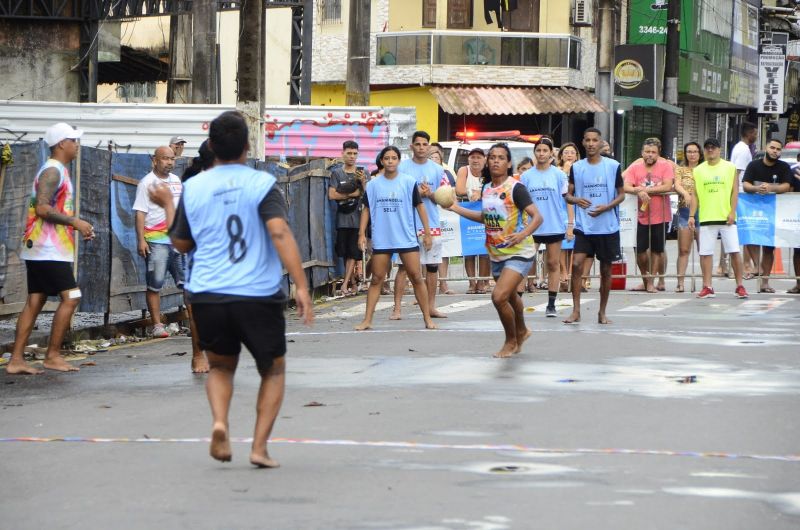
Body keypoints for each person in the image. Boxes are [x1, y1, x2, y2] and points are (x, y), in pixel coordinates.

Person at [152, 111, 313, 467]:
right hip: (256, 293)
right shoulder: (261, 184)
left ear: (211, 146)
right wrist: (300, 285)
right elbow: (279, 232)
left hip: (208, 293)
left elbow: (180, 245)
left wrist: (167, 205)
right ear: (247, 146)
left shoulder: (192, 187)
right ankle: (258, 447)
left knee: (221, 368)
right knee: (272, 370)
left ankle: (221, 422)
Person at [7, 123, 95, 375]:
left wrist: (77, 227)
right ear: (61, 144)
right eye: (73, 140)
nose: (77, 145)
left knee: (35, 300)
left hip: (44, 248)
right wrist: (74, 222)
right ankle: (52, 355)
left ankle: (16, 360)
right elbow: (43, 209)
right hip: (46, 249)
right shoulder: (52, 171)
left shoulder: (58, 170)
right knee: (72, 296)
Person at [448, 144, 543, 357]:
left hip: (519, 251)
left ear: (509, 163)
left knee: (499, 296)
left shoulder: (516, 188)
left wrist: (522, 234)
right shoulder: (487, 188)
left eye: (501, 158)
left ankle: (511, 341)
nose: (495, 161)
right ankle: (523, 330)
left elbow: (537, 217)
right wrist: (455, 208)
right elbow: (484, 217)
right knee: (510, 298)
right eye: (492, 157)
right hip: (496, 252)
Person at [355, 146, 437, 331]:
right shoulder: (373, 185)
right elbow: (366, 209)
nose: (390, 161)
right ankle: (367, 320)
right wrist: (361, 234)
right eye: (387, 158)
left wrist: (427, 233)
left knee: (416, 276)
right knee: (376, 279)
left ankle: (427, 318)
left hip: (406, 238)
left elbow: (420, 207)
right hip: (383, 238)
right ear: (382, 161)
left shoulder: (408, 182)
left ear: (399, 161)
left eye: (394, 158)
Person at [564, 128, 625, 325]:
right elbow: (568, 194)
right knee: (575, 264)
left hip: (607, 226)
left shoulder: (613, 166)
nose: (591, 143)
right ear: (583, 142)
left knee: (606, 270)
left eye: (594, 140)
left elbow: (621, 194)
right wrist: (576, 200)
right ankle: (576, 311)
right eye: (587, 140)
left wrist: (607, 207)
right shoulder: (577, 167)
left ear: (600, 143)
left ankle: (602, 312)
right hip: (584, 226)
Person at [391, 131, 446, 320]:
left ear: (429, 147)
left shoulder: (438, 170)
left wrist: (431, 194)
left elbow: (445, 196)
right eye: (418, 144)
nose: (422, 148)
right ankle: (397, 308)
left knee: (432, 267)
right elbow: (395, 194)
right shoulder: (402, 168)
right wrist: (415, 195)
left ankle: (431, 307)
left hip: (431, 224)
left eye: (425, 144)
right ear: (411, 146)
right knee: (404, 267)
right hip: (408, 225)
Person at [133, 146, 184, 339]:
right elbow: (140, 213)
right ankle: (157, 325)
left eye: (172, 159)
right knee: (155, 284)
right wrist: (141, 240)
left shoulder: (176, 181)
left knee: (187, 283)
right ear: (155, 160)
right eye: (165, 159)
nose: (170, 162)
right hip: (156, 242)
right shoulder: (146, 183)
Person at [689, 138, 748, 299]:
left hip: (726, 217)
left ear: (719, 150)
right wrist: (692, 215)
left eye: (713, 148)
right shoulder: (699, 170)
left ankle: (740, 285)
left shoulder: (730, 167)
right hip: (707, 217)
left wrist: (732, 211)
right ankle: (707, 286)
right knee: (705, 253)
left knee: (734, 251)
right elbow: (695, 194)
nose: (710, 150)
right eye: (707, 148)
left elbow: (735, 191)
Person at [521, 138, 568, 317]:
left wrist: (569, 223)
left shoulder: (559, 175)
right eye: (538, 150)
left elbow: (567, 200)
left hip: (553, 225)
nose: (541, 153)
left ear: (551, 153)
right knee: (524, 262)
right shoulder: (526, 176)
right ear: (535, 153)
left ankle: (551, 304)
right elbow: (520, 201)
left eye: (544, 150)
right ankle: (518, 300)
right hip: (532, 227)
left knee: (552, 264)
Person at [623, 138, 674, 293]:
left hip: (660, 215)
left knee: (657, 250)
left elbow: (667, 185)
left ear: (658, 154)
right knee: (639, 250)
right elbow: (625, 185)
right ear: (642, 153)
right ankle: (645, 279)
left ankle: (651, 281)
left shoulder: (665, 166)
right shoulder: (635, 168)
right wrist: (638, 190)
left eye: (653, 152)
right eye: (647, 152)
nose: (650, 155)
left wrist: (646, 191)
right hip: (639, 215)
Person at [742, 138, 792, 293]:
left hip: (775, 210)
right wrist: (757, 189)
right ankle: (757, 266)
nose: (775, 151)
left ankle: (765, 282)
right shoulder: (753, 165)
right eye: (772, 148)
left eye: (778, 149)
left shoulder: (783, 167)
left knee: (769, 247)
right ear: (766, 148)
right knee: (750, 238)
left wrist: (771, 188)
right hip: (754, 210)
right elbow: (745, 184)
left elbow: (786, 186)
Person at [328, 140, 365, 297]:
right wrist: (352, 194)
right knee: (343, 252)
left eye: (355, 153)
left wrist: (362, 183)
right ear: (342, 153)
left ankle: (344, 284)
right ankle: (353, 284)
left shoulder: (363, 173)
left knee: (353, 253)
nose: (352, 156)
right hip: (342, 218)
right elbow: (331, 195)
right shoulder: (337, 173)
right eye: (349, 153)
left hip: (358, 219)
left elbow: (366, 194)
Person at [455, 147, 490, 294]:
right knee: (469, 249)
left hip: (486, 211)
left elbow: (493, 188)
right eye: (472, 157)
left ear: (484, 159)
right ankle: (471, 282)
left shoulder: (488, 171)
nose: (475, 160)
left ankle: (482, 282)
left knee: (484, 249)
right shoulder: (464, 170)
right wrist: (471, 192)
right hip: (467, 210)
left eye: (479, 157)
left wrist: (481, 193)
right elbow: (459, 190)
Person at [673, 142, 702, 293]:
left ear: (700, 153)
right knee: (683, 250)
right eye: (689, 151)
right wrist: (684, 193)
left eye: (695, 151)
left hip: (704, 212)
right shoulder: (680, 169)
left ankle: (707, 283)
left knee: (704, 250)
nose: (692, 154)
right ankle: (680, 282)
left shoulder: (705, 169)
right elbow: (676, 184)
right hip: (685, 211)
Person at [730, 122, 758, 278]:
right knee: (746, 230)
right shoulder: (743, 150)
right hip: (741, 194)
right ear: (750, 133)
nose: (757, 136)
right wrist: (735, 192)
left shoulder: (741, 148)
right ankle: (746, 266)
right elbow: (737, 173)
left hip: (741, 193)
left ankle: (746, 265)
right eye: (756, 133)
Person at [429, 144, 455, 295]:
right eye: (430, 156)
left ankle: (443, 284)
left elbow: (451, 193)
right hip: (425, 218)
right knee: (425, 253)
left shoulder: (445, 174)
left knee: (443, 250)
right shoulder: (420, 173)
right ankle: (424, 287)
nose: (433, 159)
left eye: (436, 157)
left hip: (443, 215)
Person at [557, 143, 579, 292]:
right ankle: (562, 273)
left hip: (578, 207)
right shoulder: (557, 171)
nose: (569, 155)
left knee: (575, 244)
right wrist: (565, 171)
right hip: (561, 208)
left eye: (572, 152)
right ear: (561, 156)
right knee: (561, 243)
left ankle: (573, 275)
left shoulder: (582, 169)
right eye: (566, 152)